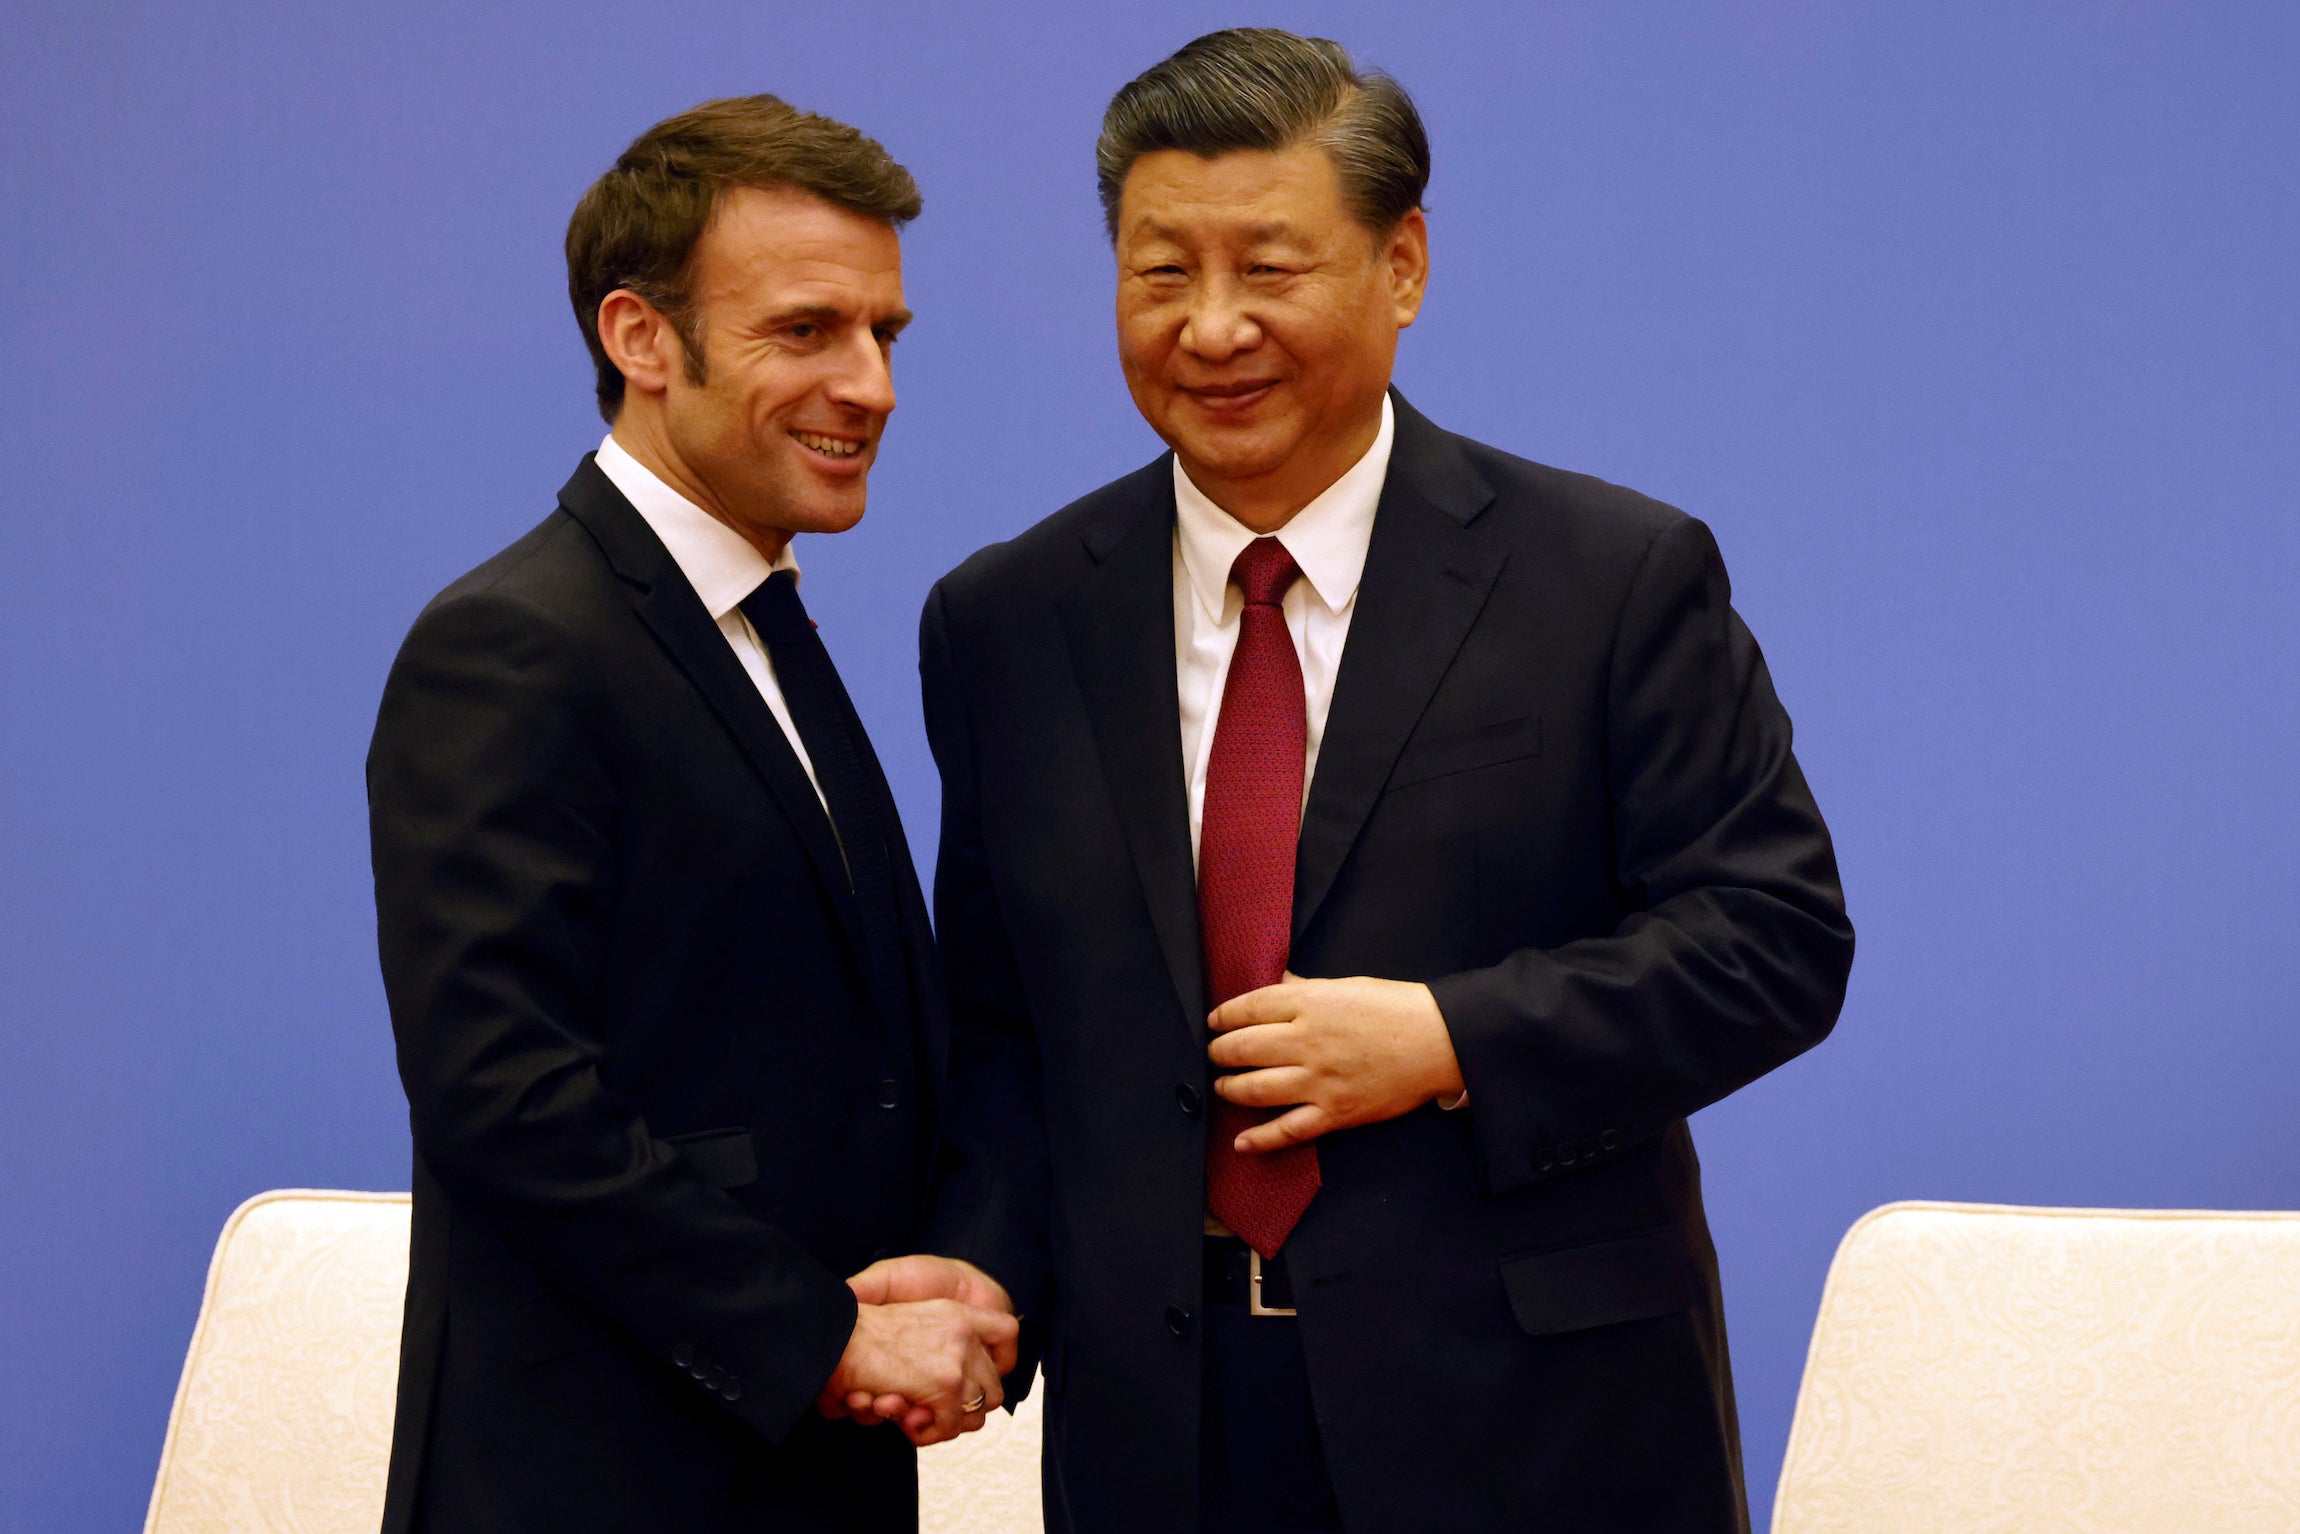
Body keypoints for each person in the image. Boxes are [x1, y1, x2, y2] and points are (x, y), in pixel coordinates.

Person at [911, 29, 1854, 1534]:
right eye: (1163, 274)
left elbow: (1775, 940)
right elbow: (1005, 1027)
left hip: (1539, 1425)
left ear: (1401, 266)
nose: (1212, 329)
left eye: (1269, 270)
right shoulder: (1009, 621)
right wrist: (980, 1264)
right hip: (1166, 1431)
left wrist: (1445, 1034)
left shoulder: (1606, 579)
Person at [366, 95, 1015, 1534]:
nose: (872, 384)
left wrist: (960, 1265)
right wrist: (819, 1334)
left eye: (884, 333)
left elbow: (863, 1055)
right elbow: (504, 1094)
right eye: (806, 330)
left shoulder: (767, 622)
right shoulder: (514, 642)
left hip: (798, 1472)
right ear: (641, 338)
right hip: (601, 1479)